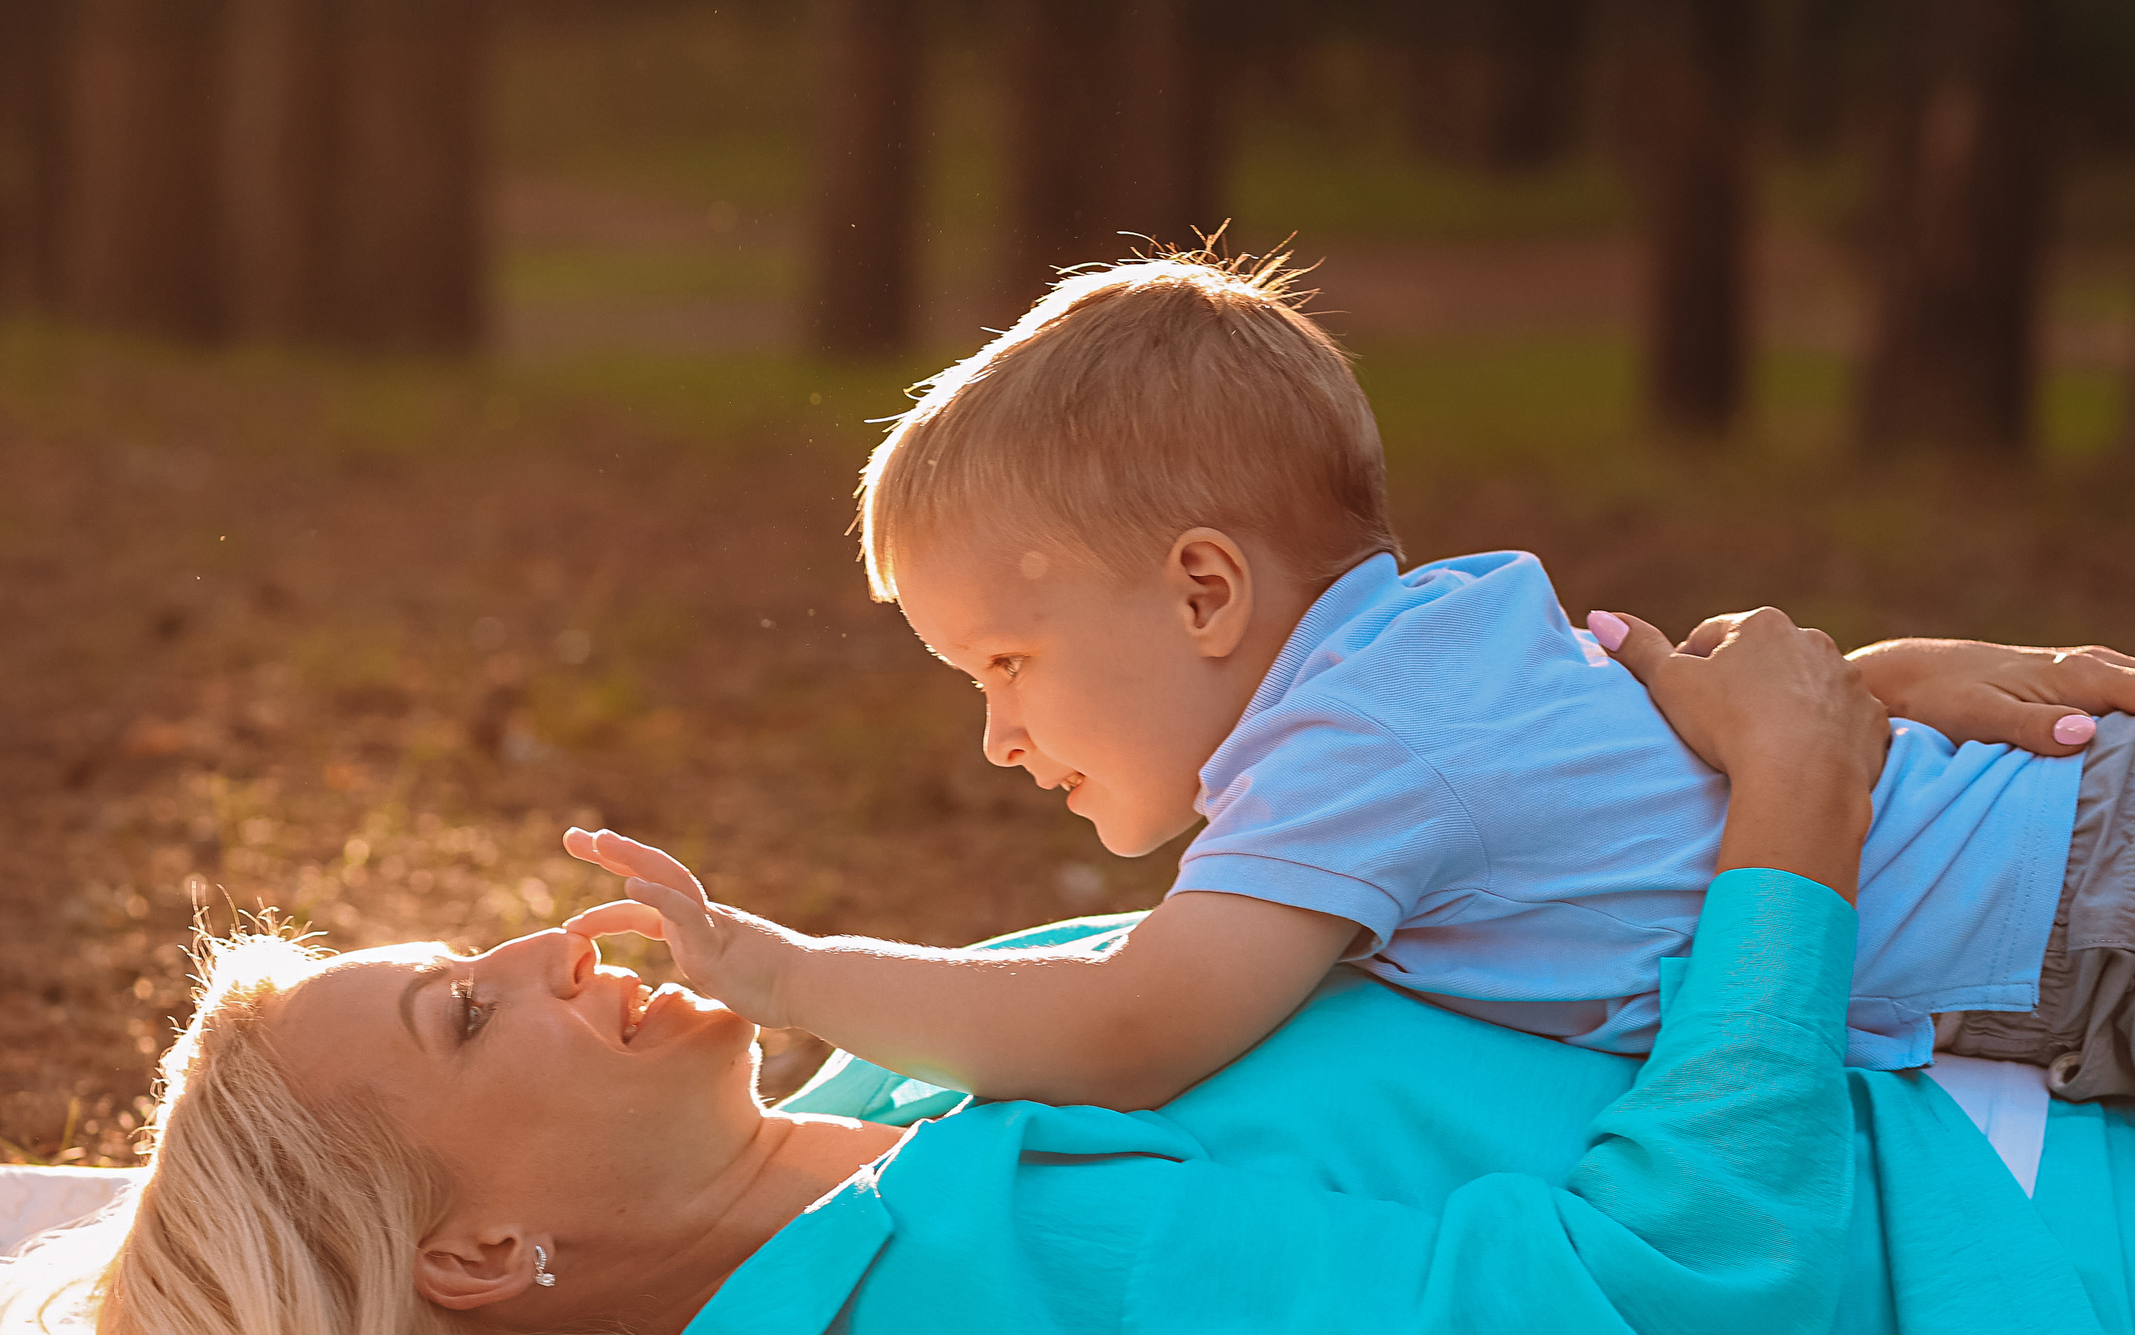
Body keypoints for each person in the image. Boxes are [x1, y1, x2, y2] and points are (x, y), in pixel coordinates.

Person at [43, 628, 2135, 1335]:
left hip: (1977, 1008)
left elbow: (1464, 926)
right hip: (2025, 1246)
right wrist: (1792, 820)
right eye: (467, 1019)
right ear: (483, 1258)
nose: (546, 944)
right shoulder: (984, 1295)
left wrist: (1851, 737)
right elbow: (1644, 1316)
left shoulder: (905, 1081)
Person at [561, 254, 2135, 1113]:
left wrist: (779, 976)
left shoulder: (1356, 743)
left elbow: (1132, 1029)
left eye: (1009, 662)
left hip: (2080, 910)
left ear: (1203, 589)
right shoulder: (1429, 652)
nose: (997, 735)